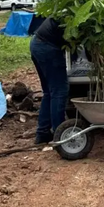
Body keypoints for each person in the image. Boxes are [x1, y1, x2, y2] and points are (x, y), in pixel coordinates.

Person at [30, 17, 71, 145]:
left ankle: (43, 132)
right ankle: (60, 135)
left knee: (49, 92)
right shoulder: (76, 16)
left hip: (36, 43)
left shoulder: (66, 10)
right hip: (48, 49)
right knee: (59, 91)